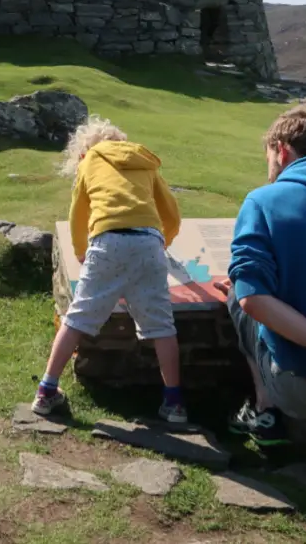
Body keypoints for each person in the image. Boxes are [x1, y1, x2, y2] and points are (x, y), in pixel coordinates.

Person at [31, 116, 187, 423]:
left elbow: (78, 214)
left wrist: (80, 252)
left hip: (107, 241)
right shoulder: (144, 162)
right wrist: (162, 242)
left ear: (84, 150)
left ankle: (47, 391)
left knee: (76, 319)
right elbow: (171, 212)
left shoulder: (90, 163)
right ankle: (175, 404)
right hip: (148, 242)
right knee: (162, 326)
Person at [221, 107, 306, 447]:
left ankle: (264, 409)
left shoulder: (263, 200)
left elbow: (253, 299)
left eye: (268, 156)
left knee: (237, 297)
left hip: (305, 389)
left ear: (282, 150)